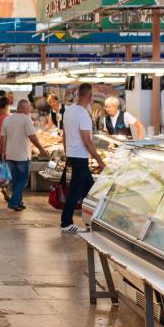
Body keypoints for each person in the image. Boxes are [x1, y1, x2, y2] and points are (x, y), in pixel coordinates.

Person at [61, 83, 106, 233]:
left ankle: (93, 220)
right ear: (90, 96)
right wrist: (99, 161)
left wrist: (68, 152)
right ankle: (66, 223)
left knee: (90, 189)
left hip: (73, 155)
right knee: (75, 191)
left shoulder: (68, 111)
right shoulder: (83, 115)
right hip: (80, 157)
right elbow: (87, 141)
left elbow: (65, 134)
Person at [1, 100, 49, 211]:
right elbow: (32, 136)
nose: (30, 110)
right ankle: (13, 202)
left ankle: (19, 202)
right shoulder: (25, 119)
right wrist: (41, 149)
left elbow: (3, 137)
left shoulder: (7, 119)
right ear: (22, 108)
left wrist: (3, 151)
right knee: (23, 180)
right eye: (28, 108)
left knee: (16, 181)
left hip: (10, 155)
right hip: (22, 156)